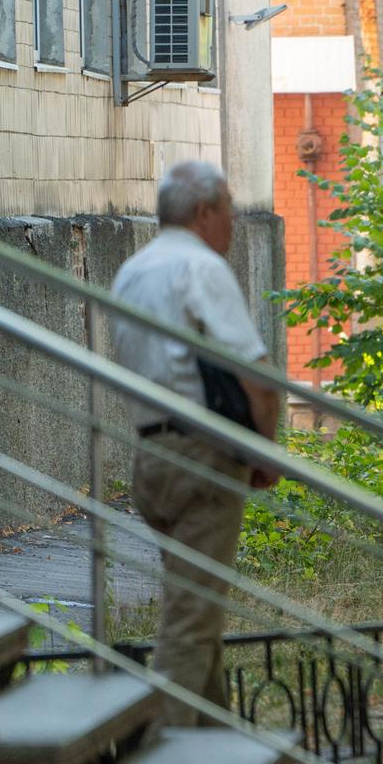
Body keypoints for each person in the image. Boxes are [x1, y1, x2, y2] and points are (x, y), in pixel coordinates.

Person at [113, 160, 282, 727]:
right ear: (204, 210)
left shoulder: (132, 270)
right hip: (202, 460)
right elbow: (258, 376)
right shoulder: (200, 268)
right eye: (229, 209)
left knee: (196, 606)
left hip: (150, 458)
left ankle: (218, 759)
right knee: (190, 624)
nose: (234, 221)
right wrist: (264, 452)